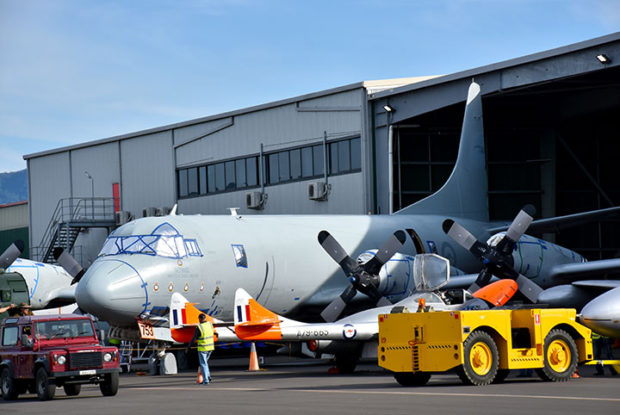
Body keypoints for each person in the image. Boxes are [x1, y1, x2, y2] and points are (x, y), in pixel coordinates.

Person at [185, 313, 215, 385]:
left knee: (203, 364)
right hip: (210, 347)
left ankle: (206, 380)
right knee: (205, 363)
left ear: (200, 319)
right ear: (205, 318)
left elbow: (194, 339)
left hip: (203, 348)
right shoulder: (210, 324)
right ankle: (208, 377)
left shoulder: (200, 327)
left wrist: (188, 347)